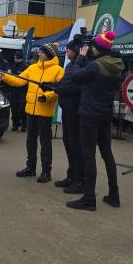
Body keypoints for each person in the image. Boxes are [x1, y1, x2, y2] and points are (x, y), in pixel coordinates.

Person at [45, 31, 124, 211]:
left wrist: (81, 57)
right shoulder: (117, 64)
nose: (90, 49)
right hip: (105, 113)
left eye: (93, 46)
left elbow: (74, 76)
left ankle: (89, 198)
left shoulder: (95, 66)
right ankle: (114, 194)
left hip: (90, 114)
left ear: (98, 48)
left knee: (88, 156)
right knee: (107, 154)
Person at [0, 42, 64, 183]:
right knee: (30, 141)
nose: (39, 53)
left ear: (49, 54)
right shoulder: (33, 68)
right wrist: (5, 76)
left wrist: (46, 96)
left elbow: (58, 90)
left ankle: (46, 171)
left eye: (42, 52)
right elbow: (19, 80)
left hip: (45, 112)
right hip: (31, 110)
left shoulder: (58, 71)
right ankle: (30, 167)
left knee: (45, 143)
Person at [50, 39, 84, 193]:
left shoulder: (82, 65)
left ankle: (79, 180)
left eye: (69, 50)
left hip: (75, 110)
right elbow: (64, 82)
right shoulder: (70, 65)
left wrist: (59, 89)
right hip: (67, 108)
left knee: (75, 144)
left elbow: (74, 86)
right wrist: (51, 85)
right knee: (68, 142)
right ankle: (71, 176)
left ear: (76, 51)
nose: (67, 52)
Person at [8, 51, 27, 132]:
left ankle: (24, 125)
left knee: (22, 109)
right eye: (14, 57)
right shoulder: (13, 66)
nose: (14, 59)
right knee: (14, 109)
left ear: (20, 58)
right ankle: (15, 124)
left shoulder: (25, 67)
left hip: (22, 91)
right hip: (13, 90)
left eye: (16, 57)